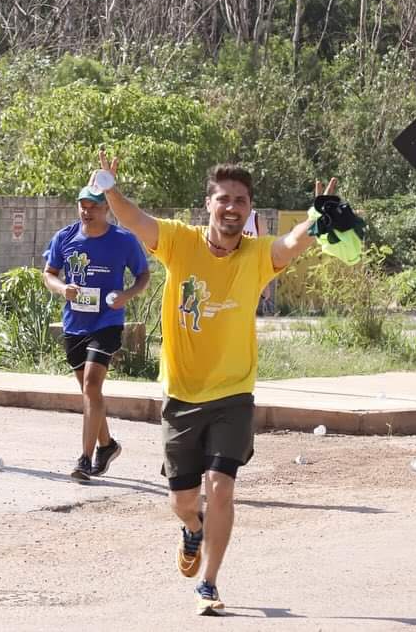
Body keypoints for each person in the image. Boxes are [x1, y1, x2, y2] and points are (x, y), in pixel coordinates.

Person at [96, 152, 335, 616]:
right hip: (182, 395)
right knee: (185, 501)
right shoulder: (178, 242)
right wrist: (109, 188)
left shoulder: (255, 257)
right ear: (208, 204)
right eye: (223, 199)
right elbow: (133, 218)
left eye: (240, 201)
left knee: (221, 486)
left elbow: (288, 246)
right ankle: (192, 529)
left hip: (234, 393)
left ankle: (209, 582)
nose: (232, 207)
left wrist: (315, 218)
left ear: (249, 210)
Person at [43, 186, 150, 482]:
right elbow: (49, 273)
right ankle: (107, 445)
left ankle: (84, 460)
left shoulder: (123, 240)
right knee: (90, 391)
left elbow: (143, 275)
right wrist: (62, 288)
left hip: (107, 321)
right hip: (74, 323)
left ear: (106, 209)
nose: (86, 212)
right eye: (82, 206)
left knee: (91, 384)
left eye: (93, 207)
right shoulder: (64, 238)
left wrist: (127, 295)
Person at [242, 209, 275, 315]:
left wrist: (265, 282)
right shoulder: (224, 216)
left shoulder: (256, 219)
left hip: (249, 274)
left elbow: (264, 251)